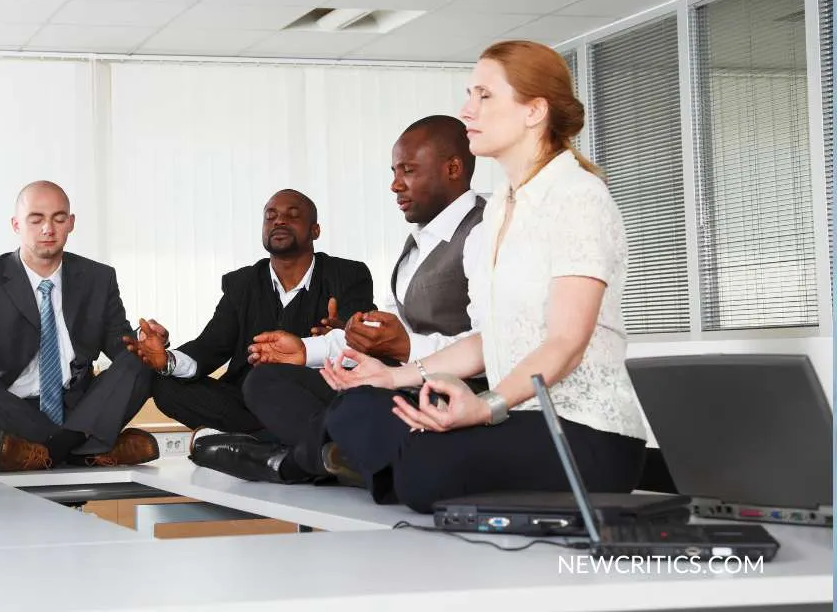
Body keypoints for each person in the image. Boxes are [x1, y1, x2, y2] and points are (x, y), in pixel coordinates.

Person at [322, 40, 649, 512]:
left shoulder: (578, 197)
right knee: (360, 405)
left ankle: (390, 464)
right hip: (516, 418)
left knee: (423, 464)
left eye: (484, 96)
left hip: (583, 433)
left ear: (534, 110)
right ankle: (397, 461)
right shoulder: (498, 209)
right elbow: (488, 339)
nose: (467, 110)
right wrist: (393, 377)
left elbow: (567, 343)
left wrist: (488, 405)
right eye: (468, 95)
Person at [230, 116, 485, 483]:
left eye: (408, 170)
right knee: (264, 381)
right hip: (396, 380)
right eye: (394, 172)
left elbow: (497, 348)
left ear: (453, 168)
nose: (395, 185)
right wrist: (304, 350)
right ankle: (344, 455)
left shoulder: (486, 230)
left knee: (357, 404)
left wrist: (407, 349)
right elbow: (382, 336)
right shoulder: (416, 245)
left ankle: (300, 462)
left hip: (452, 392)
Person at [124, 189, 372, 452]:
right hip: (245, 402)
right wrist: (167, 360)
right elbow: (211, 347)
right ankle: (273, 440)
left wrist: (336, 336)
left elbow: (362, 343)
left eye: (292, 215)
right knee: (164, 383)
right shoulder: (242, 283)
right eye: (270, 216)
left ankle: (252, 440)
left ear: (315, 230)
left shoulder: (348, 275)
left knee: (348, 399)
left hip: (308, 398)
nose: (279, 221)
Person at [0, 181, 158, 472]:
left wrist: (146, 341)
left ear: (71, 223)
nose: (48, 229)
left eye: (58, 219)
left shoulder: (98, 278)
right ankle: (82, 449)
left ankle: (46, 452)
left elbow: (121, 346)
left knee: (141, 361)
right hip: (11, 408)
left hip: (80, 409)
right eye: (36, 220)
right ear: (16, 224)